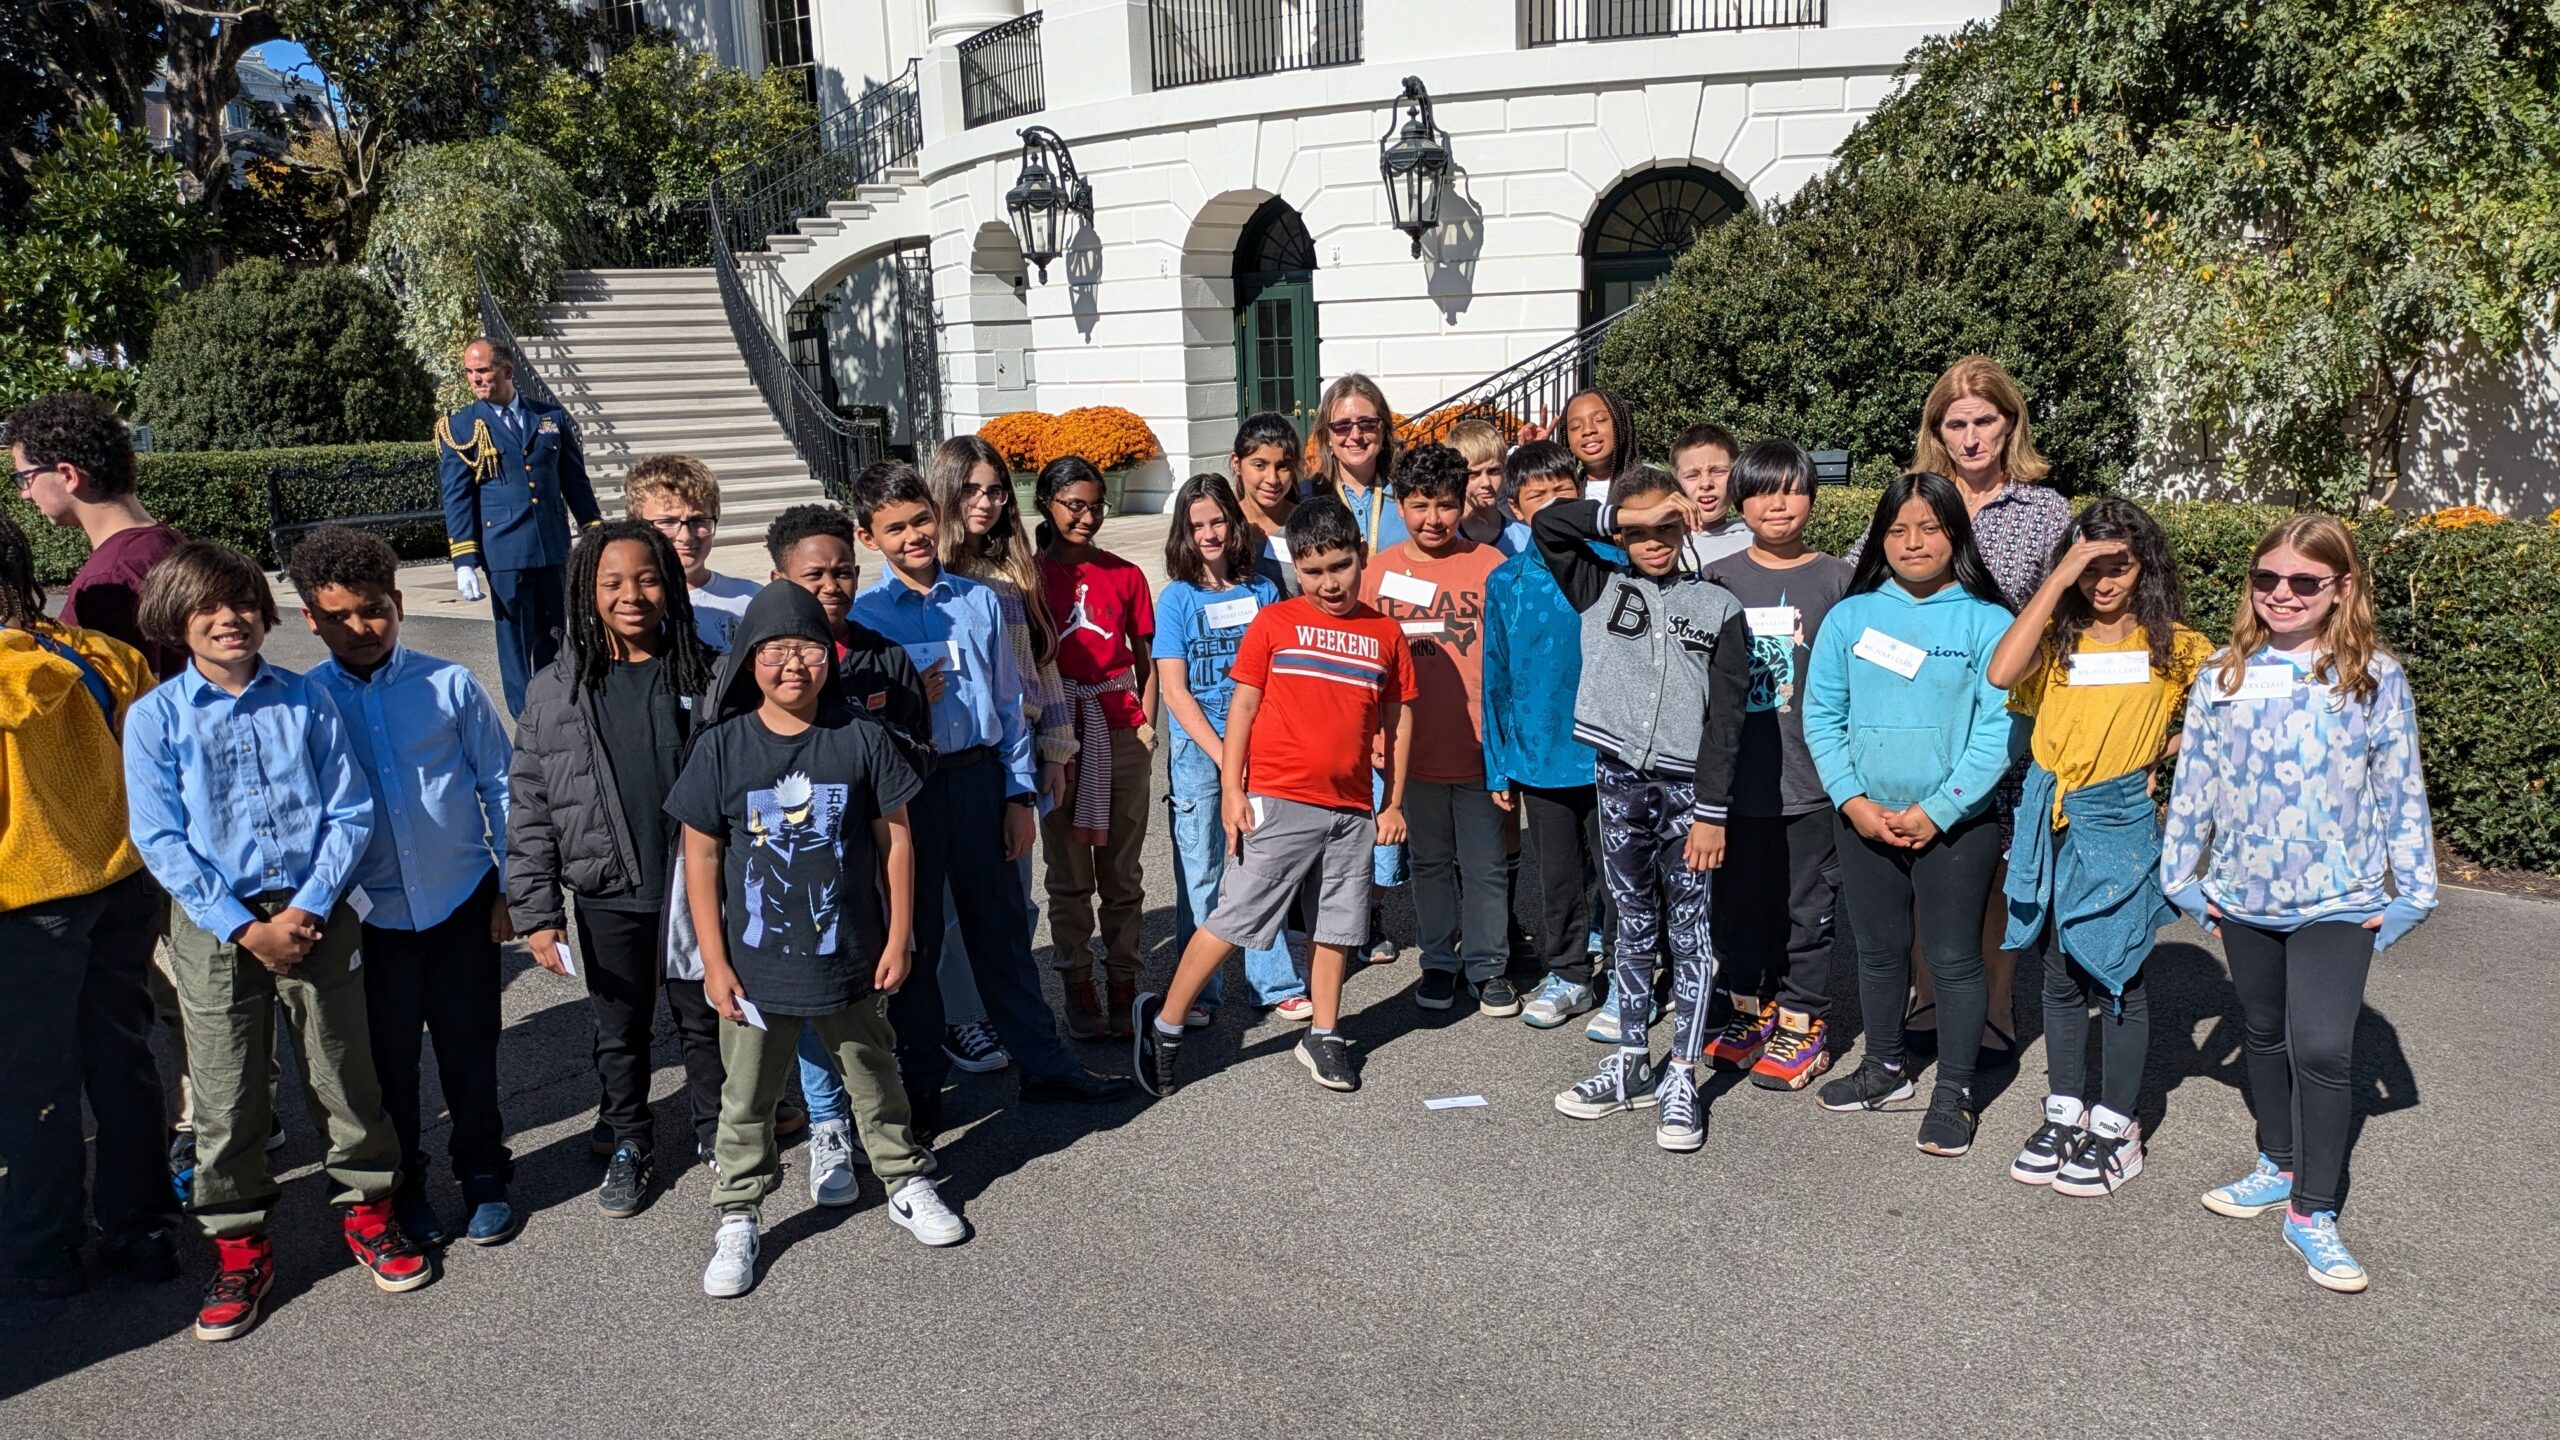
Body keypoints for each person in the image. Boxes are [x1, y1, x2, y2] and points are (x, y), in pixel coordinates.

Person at [123, 542, 428, 1341]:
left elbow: (349, 809)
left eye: (245, 604)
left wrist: (307, 905)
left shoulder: (303, 699)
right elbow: (159, 838)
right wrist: (243, 927)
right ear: (176, 622)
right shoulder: (156, 717)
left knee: (341, 1071)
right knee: (226, 1091)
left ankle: (368, 1208)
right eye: (209, 610)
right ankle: (238, 1242)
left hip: (315, 912)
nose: (231, 620)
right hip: (214, 923)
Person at [668, 581, 965, 1297]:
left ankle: (902, 1178)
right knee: (746, 1099)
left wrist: (900, 936)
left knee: (875, 1076)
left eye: (805, 647)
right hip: (756, 966)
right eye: (773, 650)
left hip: (851, 955)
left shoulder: (860, 739)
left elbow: (897, 844)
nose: (792, 664)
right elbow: (701, 858)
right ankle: (738, 1214)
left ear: (828, 655)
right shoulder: (721, 748)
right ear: (748, 661)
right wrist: (712, 959)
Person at [2164, 514, 2436, 1294]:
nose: (2282, 594)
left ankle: (2313, 1211)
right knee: (2263, 1031)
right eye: (2267, 579)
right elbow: (2197, 785)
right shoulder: (2223, 674)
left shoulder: (2373, 677)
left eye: (2304, 582)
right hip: (2244, 897)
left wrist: (2413, 893)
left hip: (2339, 901)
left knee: (2323, 1048)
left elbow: (2401, 790)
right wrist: (2181, 878)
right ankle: (2278, 1163)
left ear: (2341, 588)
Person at [849, 460, 1130, 1135]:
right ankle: (918, 1086)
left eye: (921, 520)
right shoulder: (866, 619)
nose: (914, 536)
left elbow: (1009, 701)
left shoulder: (980, 602)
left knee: (1002, 928)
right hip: (908, 791)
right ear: (869, 538)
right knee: (915, 939)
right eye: (896, 528)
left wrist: (1018, 794)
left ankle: (1044, 1062)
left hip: (979, 778)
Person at [1133, 498, 1416, 1097]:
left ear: (1360, 558)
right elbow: (1243, 707)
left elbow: (1399, 718)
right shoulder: (1275, 623)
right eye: (1313, 571)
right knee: (1235, 917)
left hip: (1351, 809)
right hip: (1280, 798)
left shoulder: (1384, 633)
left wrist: (1392, 802)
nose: (1329, 582)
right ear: (1297, 569)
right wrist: (1233, 789)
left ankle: (1325, 1031)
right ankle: (1165, 1024)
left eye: (1340, 566)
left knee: (1339, 925)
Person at [292, 527, 524, 1249]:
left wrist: (513, 884)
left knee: (470, 1049)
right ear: (310, 619)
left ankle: (484, 1173)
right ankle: (407, 1187)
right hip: (371, 920)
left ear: (396, 603)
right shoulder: (305, 704)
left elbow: (500, 781)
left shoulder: (448, 685)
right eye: (339, 617)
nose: (360, 629)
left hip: (460, 899)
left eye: (374, 610)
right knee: (387, 1066)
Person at [1986, 500, 2210, 1193]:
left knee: (2115, 973)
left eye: (2118, 566)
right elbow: (2000, 673)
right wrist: (2058, 580)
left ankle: (2116, 1124)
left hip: (2115, 817)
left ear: (2145, 567)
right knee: (2058, 971)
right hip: (2049, 814)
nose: (2103, 582)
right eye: (2090, 567)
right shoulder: (2056, 640)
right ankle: (2064, 1110)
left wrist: (2157, 754)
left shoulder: (2176, 647)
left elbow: (2222, 726)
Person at [507, 521, 725, 1218]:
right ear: (586, 593)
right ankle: (630, 1138)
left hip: (694, 890)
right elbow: (531, 804)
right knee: (619, 1030)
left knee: (705, 1020)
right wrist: (536, 913)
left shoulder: (710, 673)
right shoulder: (554, 691)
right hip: (609, 888)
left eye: (647, 577)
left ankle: (717, 1130)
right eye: (612, 583)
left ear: (671, 584)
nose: (632, 595)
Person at [1802, 473, 2025, 1158]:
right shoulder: (1851, 617)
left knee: (1955, 958)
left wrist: (1940, 809)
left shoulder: (1989, 622)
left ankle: (1954, 1091)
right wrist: (1854, 801)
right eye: (1898, 529)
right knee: (1876, 952)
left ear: (1955, 533)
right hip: (1865, 819)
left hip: (1958, 825)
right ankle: (1885, 1066)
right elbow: (1822, 714)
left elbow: (2003, 729)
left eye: (1929, 527)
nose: (1913, 541)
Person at [1535, 468, 1749, 1153]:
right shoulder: (1599, 583)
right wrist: (1622, 514)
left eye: (1667, 527)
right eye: (1638, 531)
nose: (1653, 541)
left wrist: (1713, 812)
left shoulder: (1720, 607)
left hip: (1690, 793)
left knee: (1689, 930)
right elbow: (1549, 525)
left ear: (1687, 527)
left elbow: (1726, 723)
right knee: (1629, 921)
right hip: (1619, 778)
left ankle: (1680, 1073)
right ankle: (1630, 1060)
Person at [0, 511, 181, 1301]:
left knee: (33, 1083)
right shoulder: (98, 654)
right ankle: (140, 1228)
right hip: (120, 887)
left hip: (22, 905)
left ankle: (45, 1252)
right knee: (123, 1056)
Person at [1892, 355, 2072, 1064]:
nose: (1971, 439)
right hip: (1917, 708)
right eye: (1956, 424)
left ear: (2009, 424)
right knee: (1919, 853)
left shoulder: (2044, 509)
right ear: (1938, 430)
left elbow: (2061, 613)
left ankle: (1996, 1007)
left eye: (1984, 423)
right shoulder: (1916, 499)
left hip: (2005, 711)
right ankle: (1929, 996)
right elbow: (1866, 583)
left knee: (1998, 867)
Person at [760, 501, 931, 1200]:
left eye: (842, 572)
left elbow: (920, 750)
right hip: (800, 860)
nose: (831, 586)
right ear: (780, 580)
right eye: (814, 575)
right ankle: (827, 1124)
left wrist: (866, 743)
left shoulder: (882, 656)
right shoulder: (760, 666)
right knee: (811, 994)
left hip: (873, 854)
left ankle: (877, 1119)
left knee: (870, 991)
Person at [1699, 440, 1854, 1090]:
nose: (1777, 504)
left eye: (1791, 489)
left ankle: (1803, 1023)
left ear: (1812, 498)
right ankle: (1747, 1012)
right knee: (1739, 912)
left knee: (1806, 912)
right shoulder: (1718, 579)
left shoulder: (1838, 580)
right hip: (1736, 787)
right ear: (1742, 503)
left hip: (1810, 787)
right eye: (1762, 491)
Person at [924, 435, 1074, 1075]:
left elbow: (1042, 665)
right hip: (952, 756)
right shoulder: (931, 570)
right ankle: (963, 1019)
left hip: (1017, 751)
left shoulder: (1013, 568)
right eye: (971, 490)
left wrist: (1058, 748)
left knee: (1012, 894)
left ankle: (1006, 1011)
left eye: (994, 491)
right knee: (954, 907)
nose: (984, 503)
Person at [1359, 443, 1512, 1015]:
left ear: (1463, 502)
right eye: (1419, 505)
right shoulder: (1378, 573)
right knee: (1427, 862)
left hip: (1478, 747)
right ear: (1400, 505)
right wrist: (1373, 738)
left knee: (1484, 864)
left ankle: (1487, 965)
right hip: (1408, 750)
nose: (1433, 519)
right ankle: (1439, 962)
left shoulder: (1489, 567)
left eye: (1445, 505)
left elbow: (1507, 662)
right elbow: (1366, 663)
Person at [1153, 473, 1302, 1022]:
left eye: (1217, 521)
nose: (1209, 534)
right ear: (1183, 534)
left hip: (1263, 752)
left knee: (1264, 865)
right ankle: (1201, 991)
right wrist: (1224, 758)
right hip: (1200, 759)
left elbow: (1281, 672)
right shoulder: (1175, 600)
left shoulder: (1262, 590)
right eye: (1197, 526)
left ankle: (1275, 980)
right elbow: (1174, 689)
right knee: (1204, 870)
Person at [1482, 440, 1605, 1030]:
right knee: (1557, 875)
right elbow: (1496, 674)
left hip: (1613, 751)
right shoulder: (1507, 580)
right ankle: (1571, 971)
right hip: (1540, 752)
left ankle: (1637, 969)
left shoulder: (1612, 562)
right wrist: (1497, 762)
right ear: (1514, 508)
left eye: (1566, 495)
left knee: (1623, 872)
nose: (1555, 507)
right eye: (1539, 498)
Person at [1034, 455, 1156, 1038]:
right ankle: (1078, 983)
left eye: (1095, 505)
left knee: (1123, 874)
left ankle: (1125, 980)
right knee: (1068, 875)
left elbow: (1147, 658)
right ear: (1046, 506)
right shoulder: (1026, 578)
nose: (1087, 517)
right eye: (1073, 505)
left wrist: (1147, 724)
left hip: (1120, 731)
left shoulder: (1126, 575)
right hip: (1061, 735)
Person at [437, 337, 603, 716]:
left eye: (483, 370)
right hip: (504, 550)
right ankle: (524, 714)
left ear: (507, 371)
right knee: (514, 638)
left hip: (550, 545)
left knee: (554, 629)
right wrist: (464, 559)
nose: (475, 379)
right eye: (470, 372)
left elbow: (574, 483)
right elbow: (458, 497)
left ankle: (556, 704)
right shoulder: (461, 427)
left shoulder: (549, 418)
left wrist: (594, 533)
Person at [7, 391, 186, 678]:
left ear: (68, 475)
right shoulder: (168, 542)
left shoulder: (112, 578)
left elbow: (120, 699)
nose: (24, 494)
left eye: (25, 478)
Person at [625, 454, 761, 653]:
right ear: (637, 525)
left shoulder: (751, 599)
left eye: (699, 521)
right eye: (667, 522)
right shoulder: (626, 607)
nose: (685, 536)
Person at [1310, 373, 1407, 550]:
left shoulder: (1409, 495)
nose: (1355, 435)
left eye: (1367, 423)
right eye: (1342, 425)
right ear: (1327, 437)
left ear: (1383, 430)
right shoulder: (1307, 497)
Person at [1229, 411, 1306, 592]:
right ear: (1236, 463)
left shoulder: (1307, 523)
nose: (1272, 479)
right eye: (1260, 465)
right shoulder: (1223, 526)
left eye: (1282, 466)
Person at [1672, 423, 1751, 570]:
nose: (1706, 483)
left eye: (1717, 471)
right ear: (1675, 482)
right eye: (1692, 475)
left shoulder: (1757, 542)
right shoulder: (1658, 542)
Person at [1446, 418, 1528, 553]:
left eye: (1493, 471)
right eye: (1473, 474)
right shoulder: (1443, 538)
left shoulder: (1525, 539)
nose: (1486, 483)